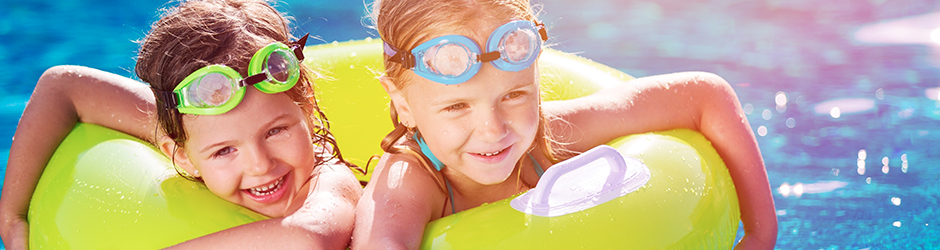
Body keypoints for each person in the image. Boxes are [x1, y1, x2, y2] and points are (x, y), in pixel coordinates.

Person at [351, 0, 778, 249]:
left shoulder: (547, 136)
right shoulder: (410, 180)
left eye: (514, 95)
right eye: (457, 107)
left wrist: (759, 237)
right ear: (403, 105)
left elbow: (706, 95)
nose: (493, 129)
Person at [0, 0, 362, 249]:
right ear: (181, 156)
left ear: (307, 109)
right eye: (225, 151)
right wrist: (13, 221)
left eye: (276, 131)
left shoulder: (327, 179)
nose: (259, 164)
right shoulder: (194, 125)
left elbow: (311, 238)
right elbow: (64, 85)